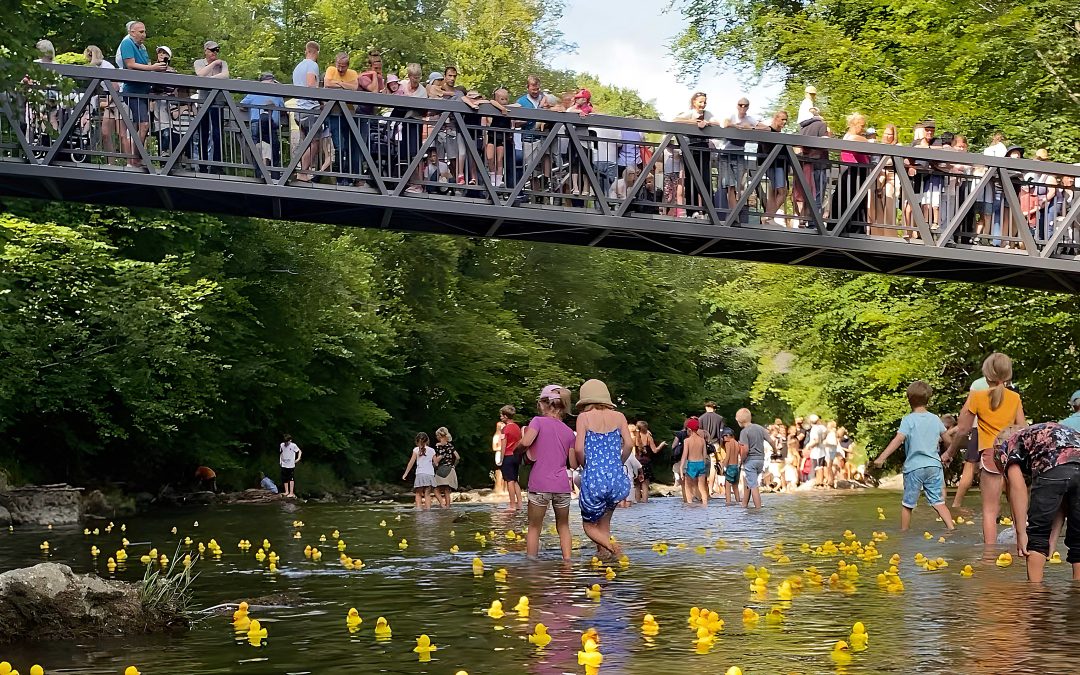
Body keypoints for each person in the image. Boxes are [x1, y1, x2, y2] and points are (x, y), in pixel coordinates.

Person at [944, 353, 1026, 545]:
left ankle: (989, 559)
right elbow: (1022, 428)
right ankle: (1021, 545)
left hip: (990, 454)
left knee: (990, 510)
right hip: (1012, 455)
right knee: (1017, 504)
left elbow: (963, 429)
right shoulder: (1014, 398)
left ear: (986, 373)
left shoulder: (977, 397)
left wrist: (950, 452)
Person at [996, 422, 1080, 582]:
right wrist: (1052, 541)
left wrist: (1021, 533)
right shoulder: (1046, 436)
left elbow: (1017, 487)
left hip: (1052, 468)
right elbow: (1061, 503)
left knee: (1037, 536)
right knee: (1078, 539)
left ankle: (1035, 595)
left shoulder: (1008, 444)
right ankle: (1076, 595)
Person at [872, 381, 956, 531]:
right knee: (938, 501)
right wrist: (949, 454)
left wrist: (881, 457)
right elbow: (948, 440)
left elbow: (898, 440)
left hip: (914, 467)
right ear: (928, 399)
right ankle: (951, 528)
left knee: (908, 504)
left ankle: (904, 532)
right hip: (933, 466)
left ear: (908, 399)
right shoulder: (935, 419)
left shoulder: (908, 420)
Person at [574, 379, 632, 559]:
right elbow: (629, 444)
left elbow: (578, 449)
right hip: (616, 478)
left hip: (594, 478)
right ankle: (604, 561)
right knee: (604, 524)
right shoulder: (619, 416)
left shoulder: (583, 417)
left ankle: (613, 548)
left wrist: (585, 465)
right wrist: (618, 462)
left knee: (589, 526)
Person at [118, 22, 168, 168]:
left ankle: (136, 157)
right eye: (140, 32)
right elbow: (130, 64)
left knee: (141, 126)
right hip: (133, 90)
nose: (143, 35)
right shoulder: (127, 43)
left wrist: (156, 70)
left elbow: (145, 66)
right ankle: (135, 158)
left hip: (143, 91)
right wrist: (152, 67)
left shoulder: (143, 47)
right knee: (144, 124)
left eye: (144, 31)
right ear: (132, 32)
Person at [674, 92, 718, 218]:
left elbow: (717, 123)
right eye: (700, 102)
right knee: (691, 179)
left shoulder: (707, 114)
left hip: (703, 148)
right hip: (690, 149)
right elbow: (676, 120)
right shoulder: (690, 113)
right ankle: (692, 211)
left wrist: (707, 122)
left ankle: (709, 211)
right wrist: (694, 122)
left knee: (706, 179)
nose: (702, 104)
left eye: (704, 102)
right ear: (694, 102)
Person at [950, 377, 990, 510]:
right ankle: (1005, 506)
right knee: (1000, 469)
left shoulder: (978, 384)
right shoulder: (1007, 384)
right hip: (1000, 431)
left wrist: (962, 426)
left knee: (969, 467)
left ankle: (956, 504)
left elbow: (967, 409)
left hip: (979, 428)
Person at [193, 40, 229, 174]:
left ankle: (217, 165)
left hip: (218, 103)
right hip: (203, 103)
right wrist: (213, 64)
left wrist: (208, 80)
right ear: (206, 51)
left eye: (216, 50)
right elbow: (200, 74)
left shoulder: (223, 63)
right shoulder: (199, 62)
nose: (215, 53)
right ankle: (202, 164)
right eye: (212, 50)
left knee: (217, 133)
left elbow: (225, 76)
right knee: (203, 133)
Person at [324, 52, 360, 185]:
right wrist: (345, 85)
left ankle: (349, 177)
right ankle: (340, 178)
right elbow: (327, 84)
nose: (340, 69)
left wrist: (337, 83)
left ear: (348, 66)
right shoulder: (331, 70)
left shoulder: (353, 73)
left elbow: (355, 87)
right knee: (339, 146)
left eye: (343, 67)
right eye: (338, 66)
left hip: (349, 113)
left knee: (350, 146)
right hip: (334, 113)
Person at [239, 73, 285, 177]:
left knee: (257, 148)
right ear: (272, 80)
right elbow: (283, 110)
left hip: (256, 122)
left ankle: (260, 173)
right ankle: (274, 174)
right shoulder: (277, 93)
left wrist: (252, 109)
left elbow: (242, 106)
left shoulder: (253, 92)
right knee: (273, 148)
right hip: (271, 123)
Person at [290, 41, 322, 182]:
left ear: (306, 51)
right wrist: (322, 99)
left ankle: (301, 171)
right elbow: (310, 84)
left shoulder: (298, 67)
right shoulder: (312, 65)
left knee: (306, 141)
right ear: (316, 52)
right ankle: (302, 173)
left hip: (298, 109)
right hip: (310, 108)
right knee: (314, 142)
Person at [794, 107, 830, 223]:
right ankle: (814, 223)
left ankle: (804, 219)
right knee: (818, 194)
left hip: (805, 165)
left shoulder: (803, 128)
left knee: (807, 193)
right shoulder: (821, 125)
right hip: (819, 164)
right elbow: (825, 143)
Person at [84, 45, 119, 160]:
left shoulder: (105, 66)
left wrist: (107, 103)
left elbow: (116, 87)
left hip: (118, 100)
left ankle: (130, 162)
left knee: (122, 134)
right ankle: (111, 162)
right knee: (105, 134)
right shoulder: (100, 66)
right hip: (111, 100)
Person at [736, 408, 768, 508]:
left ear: (740, 421)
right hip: (761, 460)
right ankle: (744, 504)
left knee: (753, 486)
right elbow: (771, 441)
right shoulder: (760, 428)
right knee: (748, 481)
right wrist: (775, 451)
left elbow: (745, 449)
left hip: (750, 460)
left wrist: (742, 460)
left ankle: (758, 508)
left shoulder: (744, 432)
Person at [633, 421, 666, 502]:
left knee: (637, 484)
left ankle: (637, 502)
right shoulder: (648, 437)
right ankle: (645, 503)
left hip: (636, 462)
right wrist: (662, 445)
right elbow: (655, 450)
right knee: (645, 485)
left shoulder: (634, 438)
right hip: (646, 462)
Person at [402, 432, 436, 509]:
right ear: (427, 441)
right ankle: (428, 511)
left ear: (417, 441)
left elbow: (411, 462)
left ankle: (418, 511)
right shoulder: (432, 450)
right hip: (429, 474)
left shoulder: (416, 450)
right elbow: (436, 463)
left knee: (418, 494)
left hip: (420, 473)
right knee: (427, 494)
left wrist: (405, 473)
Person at [679, 418, 709, 506]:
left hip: (691, 464)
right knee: (702, 487)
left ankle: (690, 504)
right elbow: (704, 455)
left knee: (688, 486)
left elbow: (684, 455)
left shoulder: (687, 441)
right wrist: (703, 466)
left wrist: (681, 468)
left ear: (689, 429)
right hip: (701, 464)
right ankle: (705, 505)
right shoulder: (702, 440)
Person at [499, 404, 523, 510]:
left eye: (501, 415)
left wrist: (501, 458)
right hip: (516, 456)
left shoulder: (505, 429)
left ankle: (512, 505)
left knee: (509, 480)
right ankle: (520, 504)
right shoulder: (517, 427)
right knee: (515, 480)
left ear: (505, 416)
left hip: (508, 456)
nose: (500, 417)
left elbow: (503, 445)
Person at [431, 426, 460, 509]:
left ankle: (442, 505)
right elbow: (458, 457)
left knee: (435, 489)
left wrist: (432, 466)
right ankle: (448, 507)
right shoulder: (450, 446)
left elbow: (437, 459)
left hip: (441, 469)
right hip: (450, 470)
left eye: (437, 436)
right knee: (447, 490)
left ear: (440, 436)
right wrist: (454, 465)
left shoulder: (438, 446)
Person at [805, 414, 828, 486]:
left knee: (818, 467)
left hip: (817, 451)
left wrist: (808, 446)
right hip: (822, 449)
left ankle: (820, 482)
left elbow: (816, 440)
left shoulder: (814, 429)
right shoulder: (821, 427)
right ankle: (820, 481)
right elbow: (826, 432)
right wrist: (823, 439)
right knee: (820, 466)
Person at [720, 428, 741, 505]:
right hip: (736, 466)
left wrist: (723, 466)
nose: (723, 438)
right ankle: (738, 501)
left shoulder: (728, 443)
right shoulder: (736, 442)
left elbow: (728, 456)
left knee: (727, 486)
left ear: (728, 435)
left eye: (724, 436)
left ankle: (728, 502)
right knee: (735, 486)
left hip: (730, 467)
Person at [279, 433, 302, 498]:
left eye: (287, 441)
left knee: (291, 478)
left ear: (290, 440)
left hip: (291, 465)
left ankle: (291, 492)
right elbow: (281, 453)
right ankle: (286, 491)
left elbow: (299, 451)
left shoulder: (293, 445)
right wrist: (280, 461)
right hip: (284, 464)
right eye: (285, 442)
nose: (286, 443)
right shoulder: (282, 445)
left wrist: (298, 459)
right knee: (284, 478)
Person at [491, 420, 507, 494]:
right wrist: (502, 448)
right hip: (499, 453)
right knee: (500, 470)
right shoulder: (496, 436)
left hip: (504, 453)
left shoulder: (503, 436)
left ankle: (505, 488)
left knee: (505, 470)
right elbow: (494, 448)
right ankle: (499, 488)